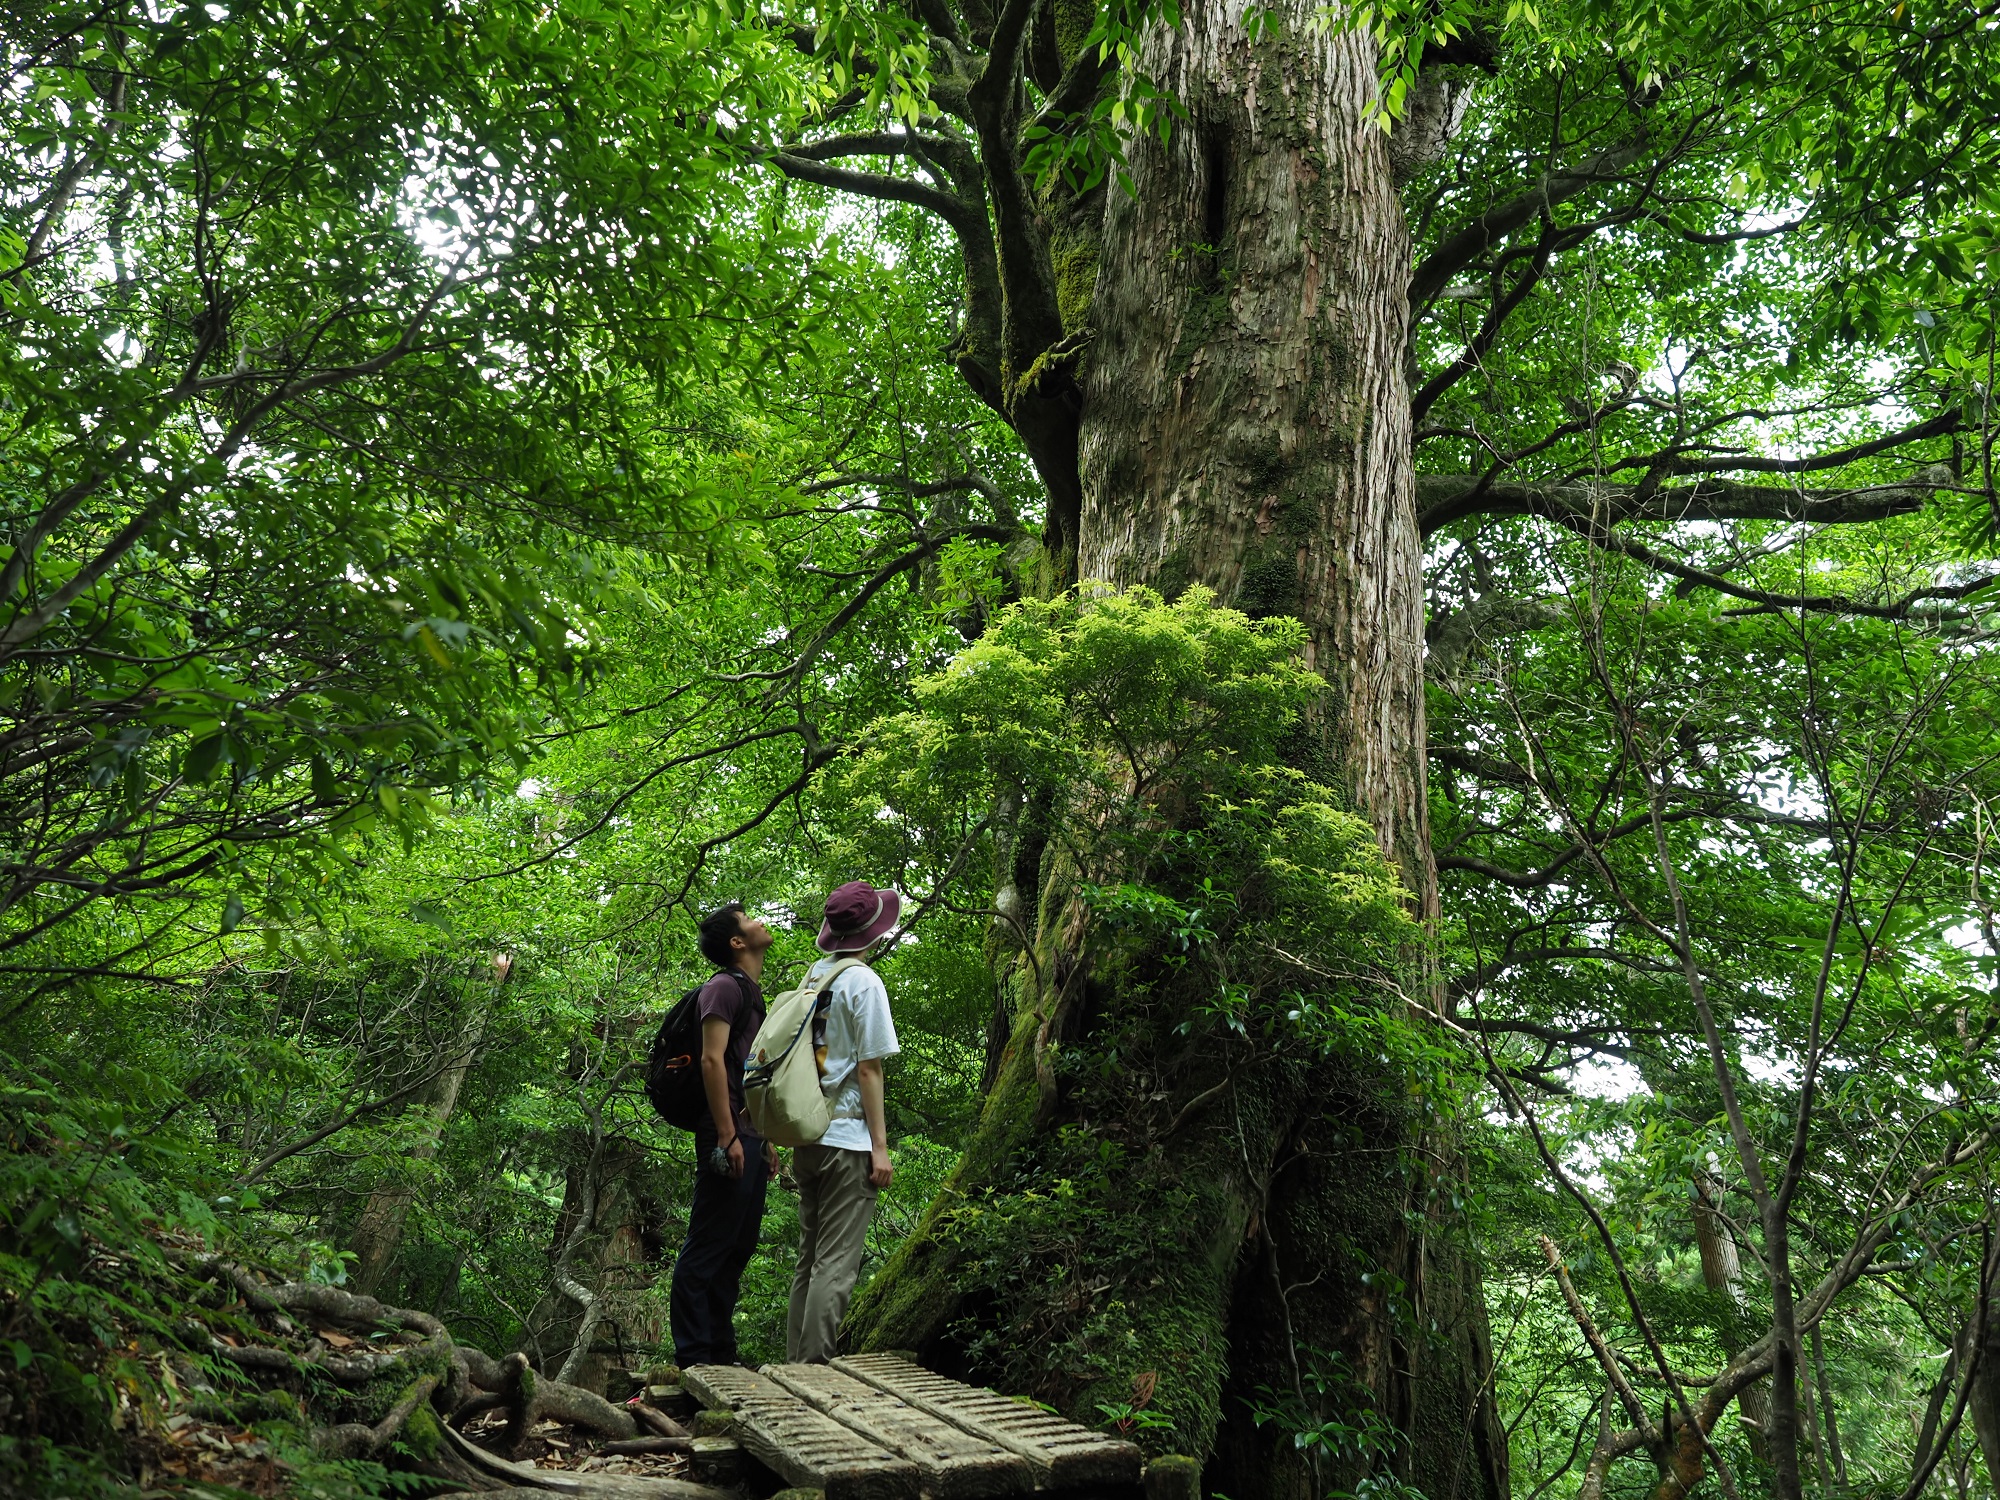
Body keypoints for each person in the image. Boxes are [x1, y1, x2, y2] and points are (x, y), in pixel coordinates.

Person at [786, 879, 902, 1364]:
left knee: (809, 1261)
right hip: (847, 1140)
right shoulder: (863, 983)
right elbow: (870, 1068)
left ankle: (793, 1365)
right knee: (835, 1266)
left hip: (807, 1133)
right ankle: (810, 1375)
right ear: (873, 933)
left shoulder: (816, 975)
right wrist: (880, 1146)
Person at [669, 900, 777, 1369]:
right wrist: (728, 1136)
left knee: (737, 1246)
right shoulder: (722, 989)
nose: (759, 922)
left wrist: (766, 1136)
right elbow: (712, 1061)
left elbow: (748, 1073)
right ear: (737, 942)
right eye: (749, 919)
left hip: (749, 1133)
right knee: (708, 1245)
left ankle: (720, 1353)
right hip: (725, 1134)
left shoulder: (752, 993)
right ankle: (694, 1358)